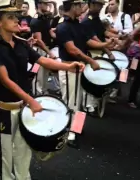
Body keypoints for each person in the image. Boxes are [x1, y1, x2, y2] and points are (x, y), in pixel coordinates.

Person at [0, 0, 85, 179]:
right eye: (10, 17)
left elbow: (42, 60)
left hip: (24, 106)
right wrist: (31, 101)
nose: (17, 20)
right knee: (5, 150)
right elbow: (6, 81)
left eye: (16, 16)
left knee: (23, 149)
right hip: (5, 109)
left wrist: (68, 66)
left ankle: (23, 177)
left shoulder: (21, 43)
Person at [56, 0, 114, 146]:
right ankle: (69, 133)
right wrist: (91, 61)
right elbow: (72, 50)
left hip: (79, 67)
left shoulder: (78, 25)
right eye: (79, 5)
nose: (82, 8)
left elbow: (88, 41)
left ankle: (74, 127)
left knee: (78, 100)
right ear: (72, 7)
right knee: (71, 101)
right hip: (69, 67)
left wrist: (105, 45)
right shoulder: (62, 27)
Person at [30, 0, 56, 95]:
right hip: (39, 51)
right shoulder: (35, 21)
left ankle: (44, 92)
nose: (47, 5)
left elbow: (51, 34)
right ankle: (37, 94)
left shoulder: (44, 19)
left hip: (46, 49)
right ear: (39, 5)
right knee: (39, 76)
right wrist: (50, 53)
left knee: (45, 74)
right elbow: (39, 41)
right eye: (45, 3)